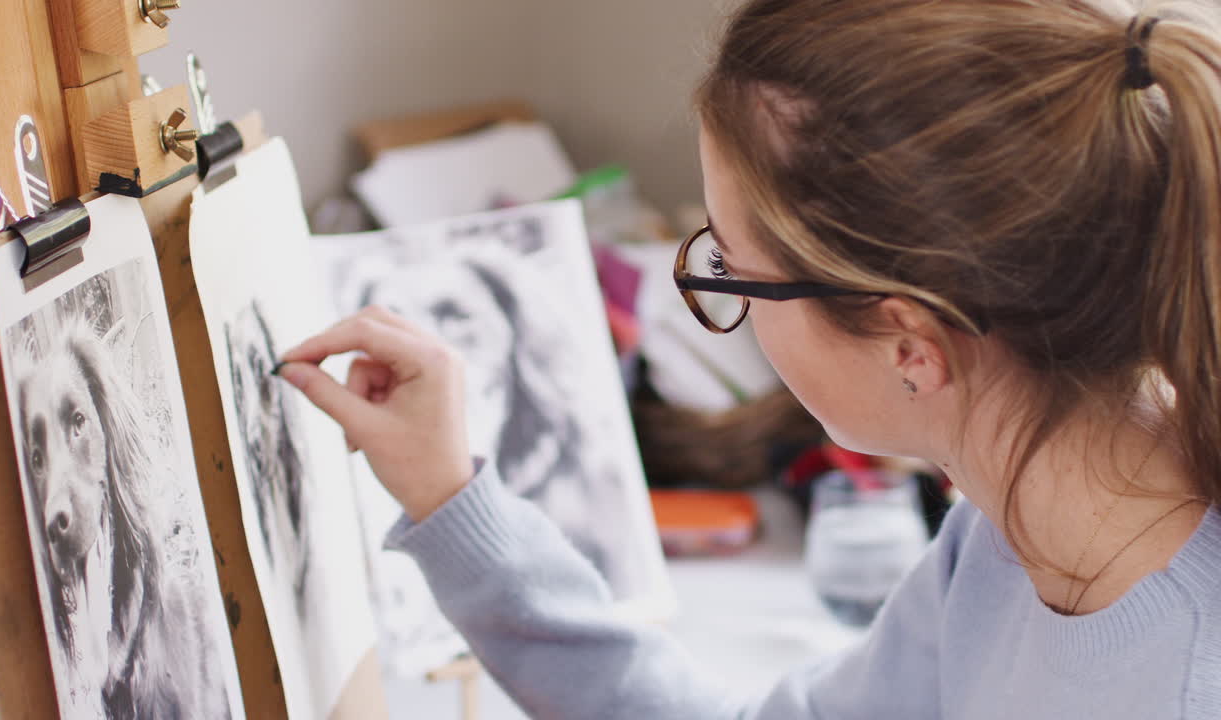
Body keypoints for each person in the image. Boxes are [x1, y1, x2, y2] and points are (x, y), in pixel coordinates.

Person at [277, 0, 1221, 716]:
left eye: (732, 269)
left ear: (910, 344)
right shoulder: (1016, 528)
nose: (718, 294)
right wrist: (451, 500)